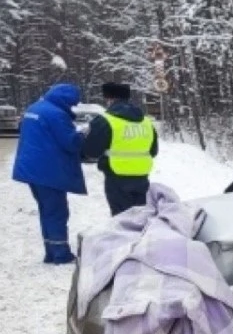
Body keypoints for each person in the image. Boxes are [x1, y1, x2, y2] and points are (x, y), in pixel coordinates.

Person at [10, 83, 86, 264]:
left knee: (46, 210)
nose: (72, 107)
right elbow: (70, 142)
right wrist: (83, 134)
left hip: (31, 169)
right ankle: (60, 253)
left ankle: (50, 251)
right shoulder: (56, 115)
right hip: (48, 170)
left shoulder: (35, 108)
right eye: (72, 103)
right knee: (57, 212)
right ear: (65, 99)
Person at [80, 81, 158, 215]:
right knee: (142, 217)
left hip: (117, 178)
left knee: (122, 219)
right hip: (142, 177)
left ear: (109, 99)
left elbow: (91, 151)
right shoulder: (146, 122)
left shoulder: (105, 120)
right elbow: (153, 151)